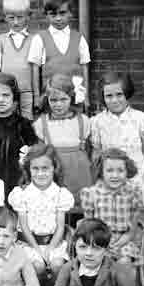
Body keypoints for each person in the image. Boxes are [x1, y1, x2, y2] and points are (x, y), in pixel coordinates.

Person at [90, 72, 144, 206]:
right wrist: (96, 179)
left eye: (119, 94)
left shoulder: (142, 119)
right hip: (109, 176)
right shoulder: (97, 122)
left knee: (132, 215)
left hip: (136, 177)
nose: (114, 100)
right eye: (109, 96)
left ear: (127, 93)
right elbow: (96, 152)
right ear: (103, 98)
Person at [8, 143, 74, 276]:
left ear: (54, 168)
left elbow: (60, 227)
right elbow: (24, 226)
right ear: (28, 169)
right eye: (35, 169)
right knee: (37, 266)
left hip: (54, 243)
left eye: (45, 168)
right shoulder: (21, 193)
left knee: (57, 265)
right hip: (29, 244)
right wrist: (38, 250)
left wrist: (49, 250)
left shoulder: (61, 193)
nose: (40, 173)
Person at [0, 72, 38, 199]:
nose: (1, 99)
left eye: (6, 95)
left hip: (17, 183)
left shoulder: (23, 124)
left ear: (14, 97)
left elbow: (34, 154)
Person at [33, 74, 92, 204]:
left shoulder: (83, 121)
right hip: (54, 173)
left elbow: (89, 150)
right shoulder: (41, 124)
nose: (58, 104)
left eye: (63, 99)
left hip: (79, 173)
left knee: (79, 207)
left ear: (71, 98)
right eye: (53, 100)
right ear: (47, 100)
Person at [80, 148, 143, 268]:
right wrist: (103, 243)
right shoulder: (91, 194)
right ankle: (101, 284)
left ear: (127, 171)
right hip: (98, 242)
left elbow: (132, 229)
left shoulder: (133, 193)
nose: (115, 175)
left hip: (124, 242)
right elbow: (88, 226)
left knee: (124, 262)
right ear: (101, 172)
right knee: (100, 263)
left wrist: (122, 241)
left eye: (120, 171)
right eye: (109, 170)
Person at [28, 0, 91, 110]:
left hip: (75, 98)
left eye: (62, 13)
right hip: (51, 100)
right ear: (46, 15)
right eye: (53, 14)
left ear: (70, 13)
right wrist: (37, 97)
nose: (58, 18)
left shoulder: (79, 38)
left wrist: (86, 96)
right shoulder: (40, 38)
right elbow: (35, 69)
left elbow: (85, 68)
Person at [0, 0, 36, 119]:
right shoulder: (0, 40)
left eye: (20, 17)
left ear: (28, 16)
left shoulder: (35, 40)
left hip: (27, 90)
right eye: (11, 18)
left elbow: (37, 68)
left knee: (27, 120)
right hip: (6, 92)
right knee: (7, 118)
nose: (16, 22)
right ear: (5, 17)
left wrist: (36, 94)